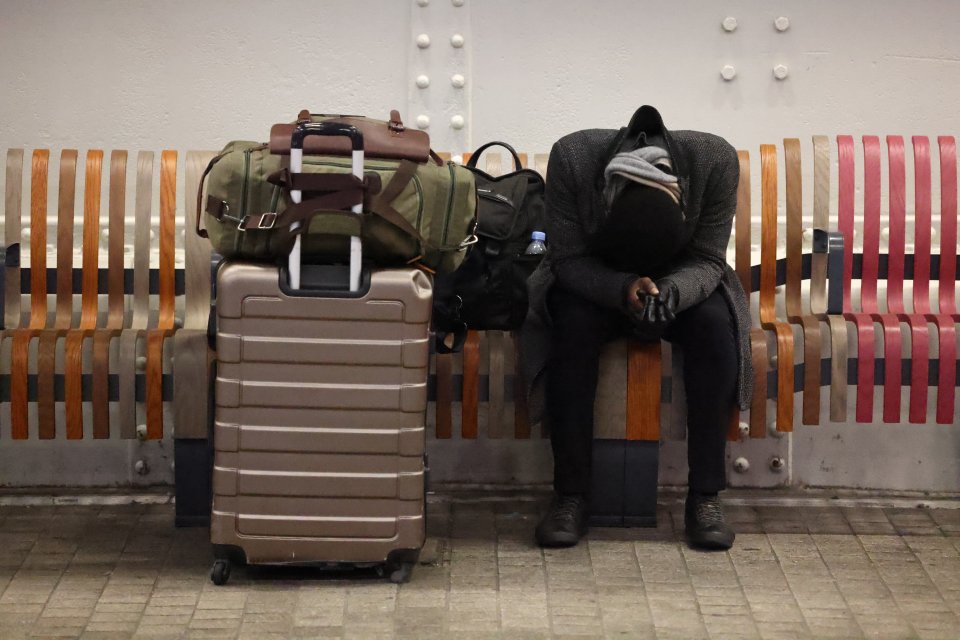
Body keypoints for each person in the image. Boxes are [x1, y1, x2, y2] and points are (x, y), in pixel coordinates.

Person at [520, 105, 753, 551]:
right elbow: (566, 259)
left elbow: (707, 259)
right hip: (596, 278)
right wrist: (622, 286)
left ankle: (704, 496)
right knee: (568, 330)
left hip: (681, 279)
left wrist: (670, 291)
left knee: (715, 331)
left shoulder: (714, 161)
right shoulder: (573, 157)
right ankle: (570, 495)